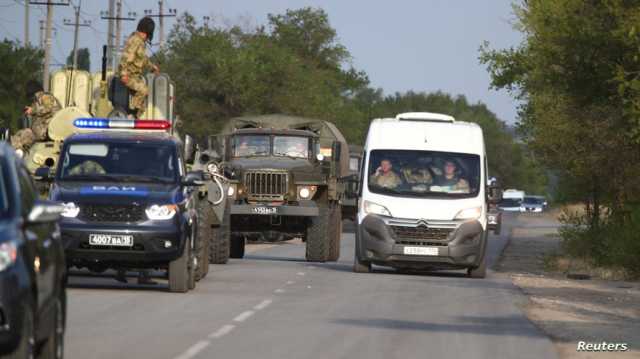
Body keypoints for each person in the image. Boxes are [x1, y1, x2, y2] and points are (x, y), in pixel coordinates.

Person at [118, 17, 159, 118]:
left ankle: (136, 117)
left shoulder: (140, 42)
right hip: (129, 76)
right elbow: (126, 57)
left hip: (135, 76)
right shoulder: (136, 41)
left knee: (143, 104)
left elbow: (142, 59)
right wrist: (123, 74)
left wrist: (152, 66)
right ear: (147, 32)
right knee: (143, 90)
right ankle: (131, 113)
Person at [11, 80, 61, 153]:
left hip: (48, 131)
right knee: (20, 135)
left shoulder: (45, 96)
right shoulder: (36, 101)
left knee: (25, 134)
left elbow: (50, 107)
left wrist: (33, 110)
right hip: (39, 133)